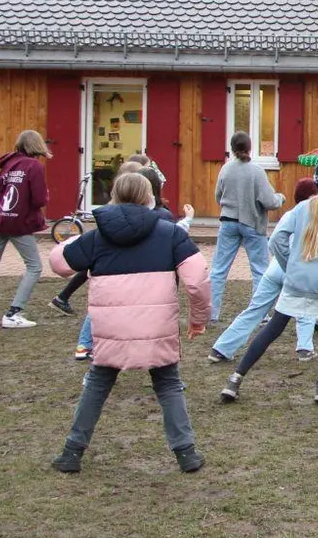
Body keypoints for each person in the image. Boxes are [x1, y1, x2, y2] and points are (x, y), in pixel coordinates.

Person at [49, 172, 211, 474]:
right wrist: (198, 319)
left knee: (98, 383)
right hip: (156, 327)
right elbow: (197, 280)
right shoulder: (171, 234)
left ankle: (72, 452)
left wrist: (74, 240)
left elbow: (59, 263)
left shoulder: (97, 237)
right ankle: (186, 453)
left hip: (111, 329)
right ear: (149, 197)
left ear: (114, 195)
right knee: (168, 384)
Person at [220, 158, 318, 405]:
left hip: (295, 283)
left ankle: (235, 378)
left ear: (317, 182)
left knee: (272, 329)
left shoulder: (300, 209)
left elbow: (276, 239)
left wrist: (291, 266)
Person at [70, 162, 196, 362]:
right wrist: (187, 221)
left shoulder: (109, 220)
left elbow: (66, 259)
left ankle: (86, 344)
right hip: (149, 277)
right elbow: (174, 241)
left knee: (104, 308)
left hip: (115, 276)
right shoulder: (160, 215)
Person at [206, 178, 318, 364]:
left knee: (255, 310)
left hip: (275, 268)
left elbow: (274, 242)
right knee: (306, 306)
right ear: (311, 197)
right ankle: (305, 349)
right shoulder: (315, 218)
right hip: (295, 269)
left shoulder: (290, 214)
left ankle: (221, 348)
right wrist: (293, 267)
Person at [209, 131, 286, 325]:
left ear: (232, 148)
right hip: (252, 223)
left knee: (218, 270)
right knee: (260, 271)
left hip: (228, 222)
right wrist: (281, 198)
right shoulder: (257, 171)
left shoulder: (225, 169)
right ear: (250, 147)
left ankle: (211, 313)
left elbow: (218, 196)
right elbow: (269, 201)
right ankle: (260, 315)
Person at [0, 129, 51, 328]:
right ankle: (14, 313)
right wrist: (46, 194)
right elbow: (39, 199)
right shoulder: (34, 166)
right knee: (34, 267)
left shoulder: (9, 164)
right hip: (19, 222)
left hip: (0, 218)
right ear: (37, 145)